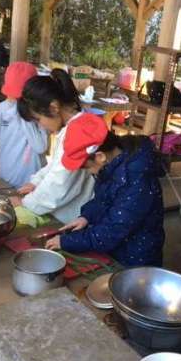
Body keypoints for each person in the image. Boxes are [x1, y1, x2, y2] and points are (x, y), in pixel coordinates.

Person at [45, 113, 165, 267]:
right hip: (117, 249)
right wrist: (86, 217)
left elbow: (112, 231)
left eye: (86, 168)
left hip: (135, 257)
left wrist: (66, 241)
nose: (88, 172)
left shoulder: (135, 178)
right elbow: (103, 199)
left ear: (100, 156)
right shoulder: (114, 162)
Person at [13, 70, 95, 224]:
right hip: (70, 213)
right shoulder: (71, 127)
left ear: (54, 108)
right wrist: (36, 182)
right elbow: (56, 165)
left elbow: (60, 183)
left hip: (75, 218)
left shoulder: (78, 133)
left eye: (38, 120)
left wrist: (27, 204)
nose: (41, 126)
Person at [0, 62, 47, 189]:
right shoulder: (32, 114)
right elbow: (41, 147)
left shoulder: (0, 108)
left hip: (5, 168)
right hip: (27, 175)